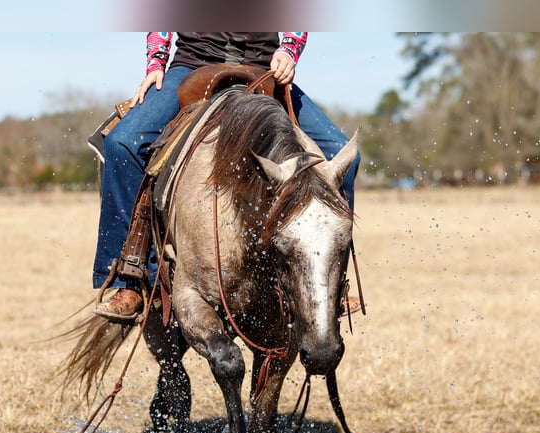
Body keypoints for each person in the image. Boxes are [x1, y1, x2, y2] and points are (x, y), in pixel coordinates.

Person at [94, 33, 360, 320]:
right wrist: (156, 63)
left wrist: (288, 51)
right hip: (192, 67)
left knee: (343, 156)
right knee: (122, 143)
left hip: (263, 67)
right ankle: (130, 280)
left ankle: (332, 287)